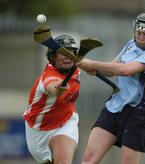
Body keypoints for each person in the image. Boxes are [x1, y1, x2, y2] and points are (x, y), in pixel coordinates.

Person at [77, 13, 145, 164]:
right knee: (88, 159)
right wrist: (94, 70)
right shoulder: (131, 44)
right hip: (114, 107)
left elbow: (125, 70)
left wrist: (93, 64)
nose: (141, 37)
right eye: (138, 32)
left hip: (138, 114)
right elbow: (112, 70)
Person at [23, 35, 80, 164]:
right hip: (38, 130)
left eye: (71, 52)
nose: (67, 56)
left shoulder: (76, 69)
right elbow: (52, 87)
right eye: (62, 53)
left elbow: (88, 66)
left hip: (65, 122)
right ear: (53, 57)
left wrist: (93, 67)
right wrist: (59, 88)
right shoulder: (47, 77)